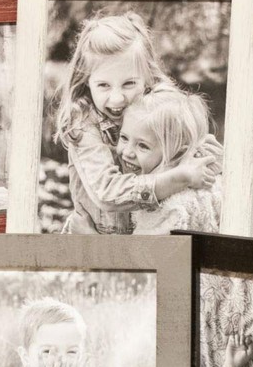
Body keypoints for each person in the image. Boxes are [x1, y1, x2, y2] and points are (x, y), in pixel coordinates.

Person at [54, 12, 220, 234]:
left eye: (129, 84)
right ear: (86, 80)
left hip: (148, 233)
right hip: (99, 239)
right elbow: (107, 193)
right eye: (103, 85)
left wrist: (206, 159)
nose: (117, 99)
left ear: (148, 76)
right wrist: (179, 177)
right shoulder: (83, 124)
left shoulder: (158, 109)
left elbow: (192, 151)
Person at [117, 87, 223, 234]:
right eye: (124, 138)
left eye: (143, 146)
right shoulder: (201, 182)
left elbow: (145, 247)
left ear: (178, 153)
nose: (127, 152)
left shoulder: (169, 206)